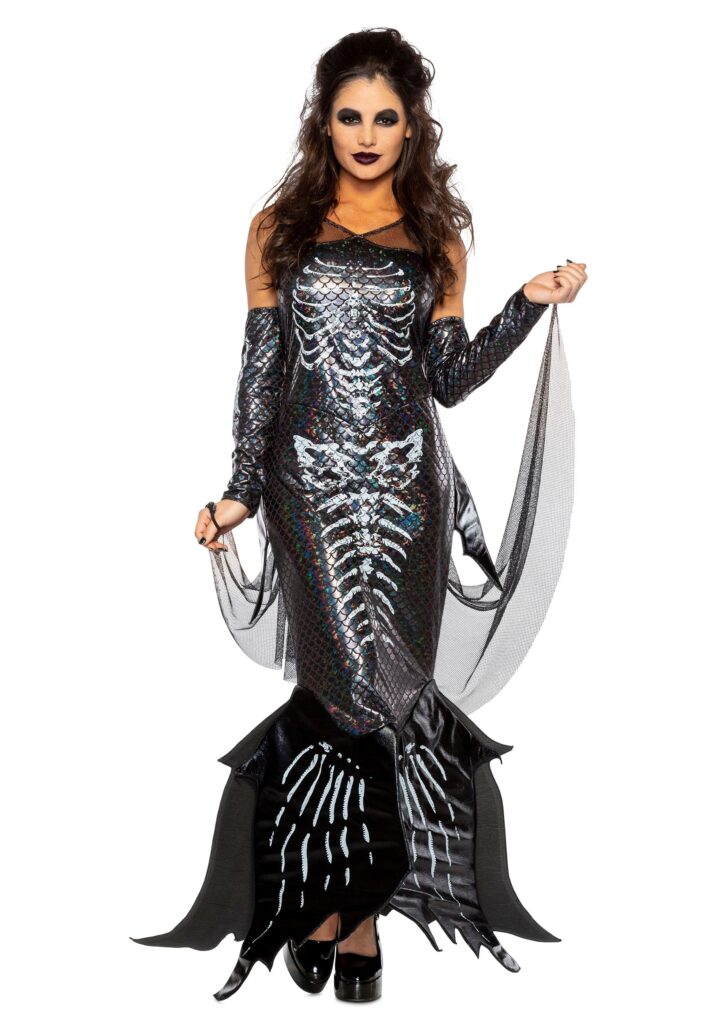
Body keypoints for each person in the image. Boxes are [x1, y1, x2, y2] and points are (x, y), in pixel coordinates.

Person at [130, 27, 587, 1003]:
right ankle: (337, 906)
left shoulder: (437, 237)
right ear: (324, 124)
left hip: (410, 494)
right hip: (309, 489)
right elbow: (261, 368)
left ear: (412, 126)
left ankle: (348, 909)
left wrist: (524, 302)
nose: (368, 134)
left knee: (392, 697)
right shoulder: (277, 230)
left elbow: (449, 379)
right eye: (351, 116)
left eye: (386, 117)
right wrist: (242, 490)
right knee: (339, 693)